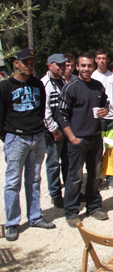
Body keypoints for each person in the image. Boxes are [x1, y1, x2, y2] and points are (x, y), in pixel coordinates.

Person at [0, 48, 56, 241]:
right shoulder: (5, 86)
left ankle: (35, 216)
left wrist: (39, 129)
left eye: (32, 62)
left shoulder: (38, 84)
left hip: (37, 137)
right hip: (16, 137)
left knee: (34, 180)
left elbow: (41, 109)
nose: (29, 66)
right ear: (16, 63)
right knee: (13, 182)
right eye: (25, 62)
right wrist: (8, 138)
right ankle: (12, 222)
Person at [57, 53, 109, 227]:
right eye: (83, 66)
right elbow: (61, 115)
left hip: (95, 138)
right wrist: (72, 138)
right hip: (78, 140)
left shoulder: (98, 86)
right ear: (77, 67)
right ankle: (71, 211)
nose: (86, 69)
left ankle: (93, 207)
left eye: (89, 66)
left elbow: (106, 103)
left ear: (93, 67)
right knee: (75, 177)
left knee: (95, 176)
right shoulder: (70, 87)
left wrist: (105, 111)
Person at [91, 49, 113, 190]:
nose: (102, 61)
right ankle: (96, 179)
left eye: (104, 58)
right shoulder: (92, 76)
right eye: (99, 58)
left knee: (111, 149)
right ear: (95, 60)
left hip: (111, 119)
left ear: (107, 60)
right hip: (97, 119)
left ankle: (111, 177)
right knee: (96, 151)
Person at [41, 53, 69, 209]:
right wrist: (54, 130)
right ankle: (56, 195)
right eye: (59, 65)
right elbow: (44, 111)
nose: (62, 68)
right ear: (49, 65)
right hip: (53, 132)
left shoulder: (62, 83)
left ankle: (71, 192)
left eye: (63, 65)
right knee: (53, 163)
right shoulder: (45, 84)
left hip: (65, 129)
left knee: (68, 161)